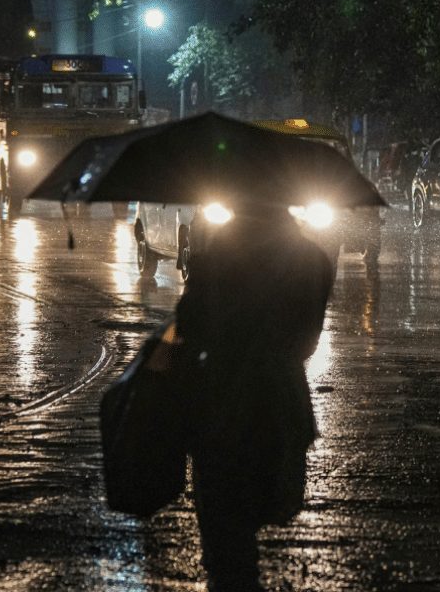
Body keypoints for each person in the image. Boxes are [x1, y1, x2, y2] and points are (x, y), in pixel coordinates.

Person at [147, 202, 335, 592]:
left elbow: (189, 325)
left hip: (220, 398)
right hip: (282, 400)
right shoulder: (314, 260)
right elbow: (307, 338)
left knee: (224, 518)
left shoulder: (218, 259)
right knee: (265, 498)